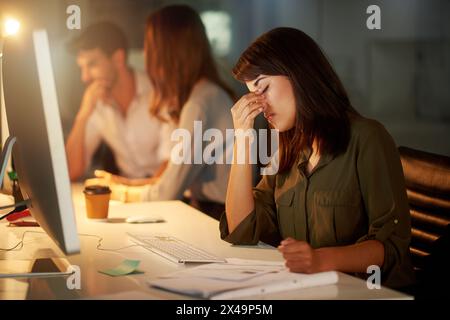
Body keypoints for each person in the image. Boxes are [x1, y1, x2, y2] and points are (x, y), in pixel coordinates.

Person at [221, 27, 415, 290]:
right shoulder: (287, 147)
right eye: (252, 94)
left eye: (263, 88)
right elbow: (242, 229)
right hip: (308, 290)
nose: (259, 104)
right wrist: (242, 137)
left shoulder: (368, 138)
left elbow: (391, 247)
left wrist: (319, 260)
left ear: (299, 75)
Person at [96, 5, 238, 219]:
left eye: (150, 45)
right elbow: (172, 176)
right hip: (210, 211)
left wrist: (119, 193)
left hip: (217, 217)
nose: (145, 53)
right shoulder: (204, 94)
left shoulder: (199, 104)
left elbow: (169, 191)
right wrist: (130, 184)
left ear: (169, 51)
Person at [66, 21, 171, 181]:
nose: (85, 77)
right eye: (81, 68)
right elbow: (71, 170)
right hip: (127, 197)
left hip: (164, 195)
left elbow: (171, 165)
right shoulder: (96, 103)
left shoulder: (160, 92)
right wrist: (83, 115)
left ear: (118, 59)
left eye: (92, 65)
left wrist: (137, 193)